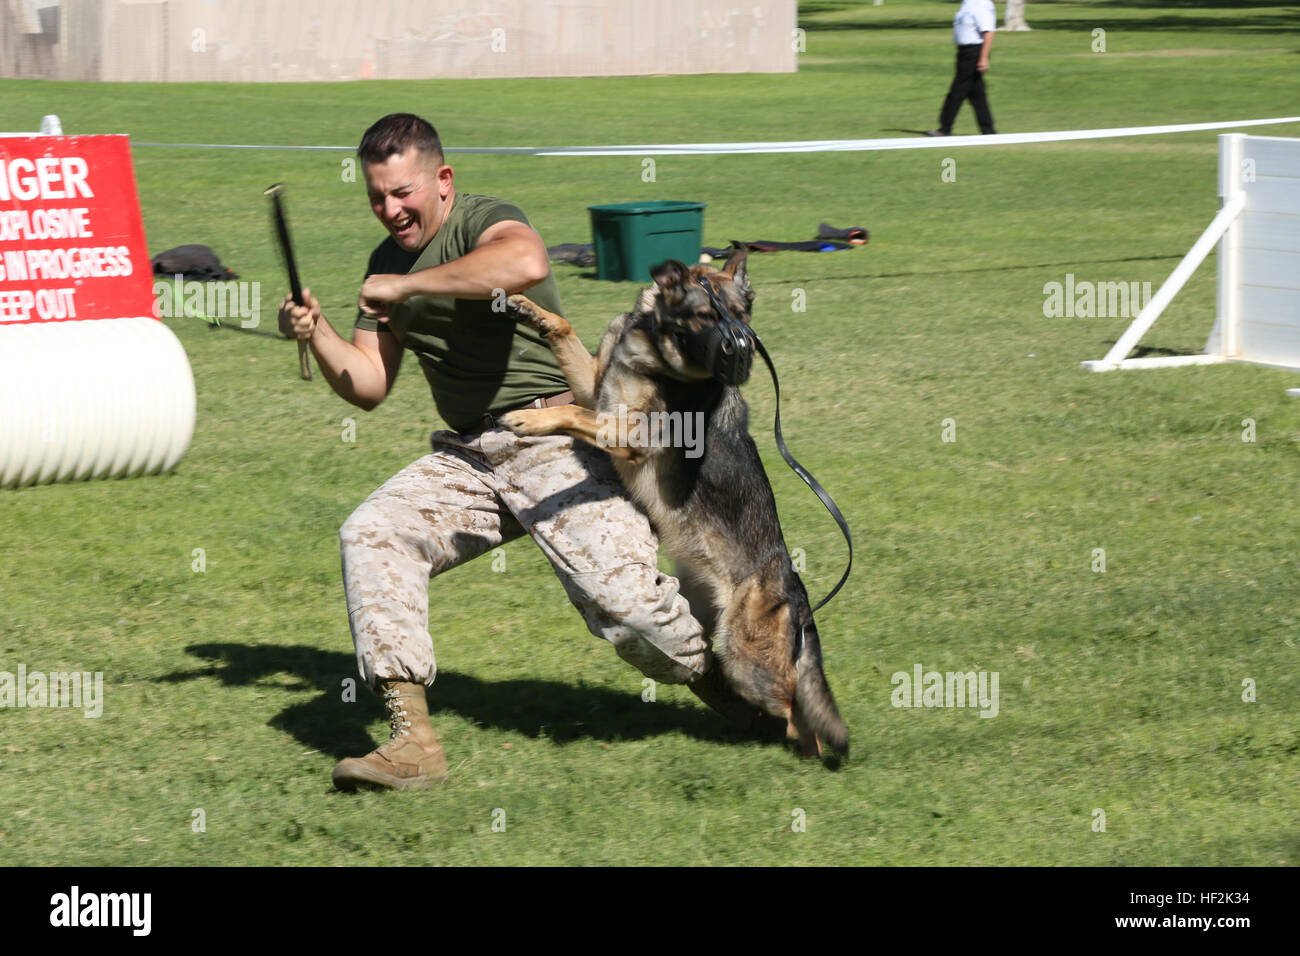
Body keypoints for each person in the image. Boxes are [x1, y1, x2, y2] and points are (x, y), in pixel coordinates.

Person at [278, 113, 763, 791]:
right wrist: (319, 332)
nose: (390, 210)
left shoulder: (486, 222)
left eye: (402, 192)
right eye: (376, 198)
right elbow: (367, 384)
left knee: (628, 614)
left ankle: (724, 685)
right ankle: (411, 743)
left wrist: (410, 286)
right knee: (373, 531)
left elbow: (526, 263)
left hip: (563, 440)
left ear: (442, 180)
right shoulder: (384, 265)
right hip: (472, 455)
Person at [928, 0, 998, 137]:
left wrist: (984, 57)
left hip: (974, 52)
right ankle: (988, 131)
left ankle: (944, 128)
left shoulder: (982, 3)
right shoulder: (967, 3)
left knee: (957, 90)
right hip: (964, 52)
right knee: (977, 94)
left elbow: (989, 32)